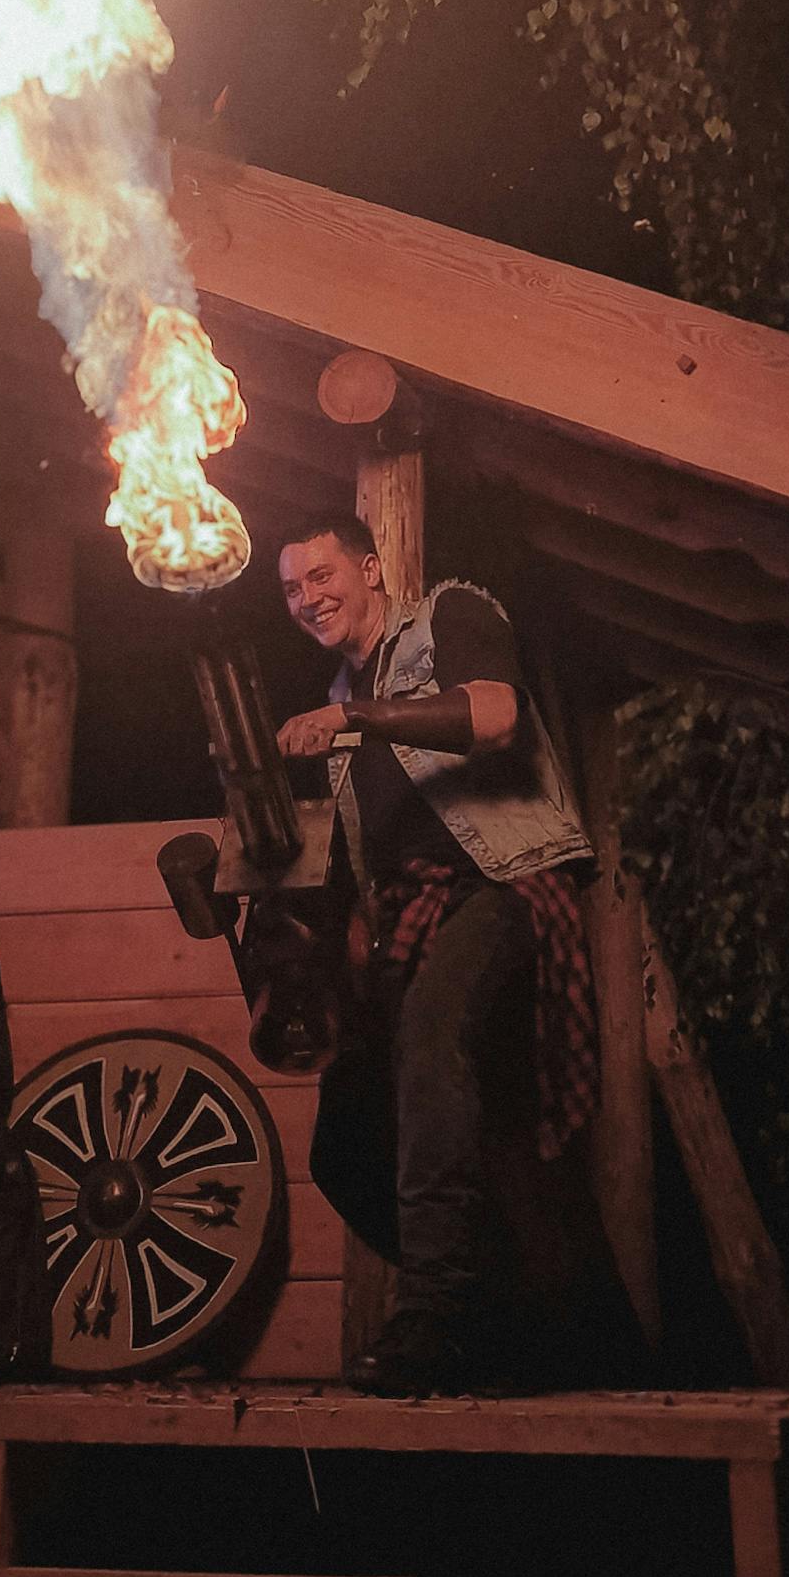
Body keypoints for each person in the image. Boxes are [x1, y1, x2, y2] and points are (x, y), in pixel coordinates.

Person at [274, 512, 606, 1393]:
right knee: (345, 1130)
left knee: (431, 1038)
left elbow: (496, 717)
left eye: (322, 575)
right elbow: (356, 868)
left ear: (372, 568)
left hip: (506, 884)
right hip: (412, 920)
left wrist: (357, 717)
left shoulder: (449, 615)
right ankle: (499, 1296)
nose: (309, 598)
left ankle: (438, 1313)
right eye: (292, 589)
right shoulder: (337, 701)